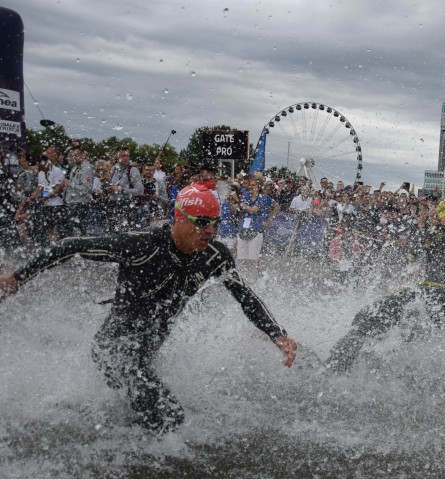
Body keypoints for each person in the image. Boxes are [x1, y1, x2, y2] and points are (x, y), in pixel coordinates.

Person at [0, 184, 297, 434]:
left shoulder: (214, 256)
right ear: (179, 218)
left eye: (215, 222)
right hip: (113, 348)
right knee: (170, 417)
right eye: (201, 221)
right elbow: (70, 245)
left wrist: (277, 333)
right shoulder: (142, 246)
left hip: (146, 351)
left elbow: (244, 294)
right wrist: (17, 278)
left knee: (144, 410)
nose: (209, 230)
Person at [326, 199, 445, 399]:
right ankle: (338, 372)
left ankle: (348, 372)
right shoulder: (436, 234)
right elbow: (424, 238)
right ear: (442, 216)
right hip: (417, 296)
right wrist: (409, 249)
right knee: (370, 336)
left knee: (382, 339)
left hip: (404, 302)